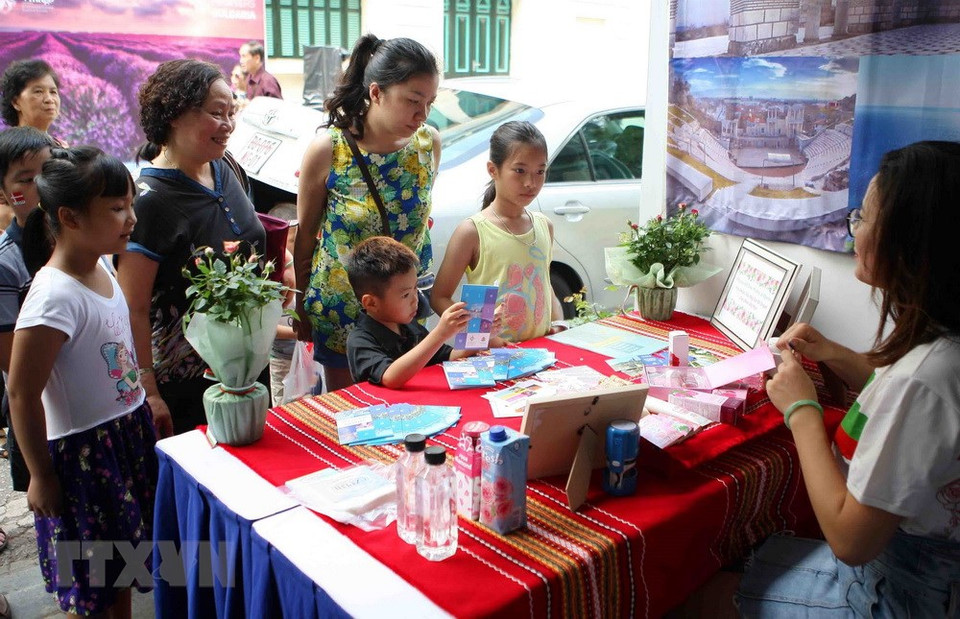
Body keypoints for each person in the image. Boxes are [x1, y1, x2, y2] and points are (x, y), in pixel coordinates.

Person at [736, 141, 960, 616]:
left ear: (909, 241)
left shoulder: (925, 378)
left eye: (863, 218)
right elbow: (908, 406)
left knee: (705, 592)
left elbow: (850, 539)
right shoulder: (941, 347)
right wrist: (837, 355)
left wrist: (801, 411)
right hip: (913, 573)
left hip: (894, 593)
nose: (853, 230)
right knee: (742, 558)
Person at [8, 146, 157, 617]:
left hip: (123, 439)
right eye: (116, 208)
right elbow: (21, 392)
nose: (131, 218)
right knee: (90, 587)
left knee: (120, 572)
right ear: (69, 217)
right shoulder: (53, 297)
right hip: (83, 460)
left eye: (130, 204)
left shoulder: (103, 263)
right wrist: (40, 475)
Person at [117, 59, 265, 436]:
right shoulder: (150, 201)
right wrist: (149, 391)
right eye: (217, 113)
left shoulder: (224, 166)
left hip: (247, 363)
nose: (228, 124)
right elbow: (133, 307)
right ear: (174, 115)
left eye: (231, 113)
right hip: (187, 381)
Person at [294, 34, 441, 392]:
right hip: (342, 309)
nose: (422, 114)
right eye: (413, 101)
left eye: (430, 103)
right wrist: (300, 306)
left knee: (411, 407)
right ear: (376, 93)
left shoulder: (428, 144)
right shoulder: (329, 149)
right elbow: (305, 237)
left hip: (404, 313)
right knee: (352, 411)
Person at [431, 121, 564, 343]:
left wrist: (559, 322)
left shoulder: (544, 226)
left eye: (540, 171)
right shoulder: (472, 231)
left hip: (540, 352)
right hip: (490, 355)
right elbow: (439, 297)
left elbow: (544, 282)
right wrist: (483, 334)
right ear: (493, 170)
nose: (531, 182)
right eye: (520, 171)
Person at [0, 127, 55, 503]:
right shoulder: (6, 264)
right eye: (25, 179)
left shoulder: (82, 243)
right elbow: (11, 361)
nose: (40, 187)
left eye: (47, 174)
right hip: (40, 410)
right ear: (4, 194)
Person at [344, 236, 473, 388]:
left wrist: (481, 334)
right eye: (405, 295)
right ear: (371, 303)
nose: (415, 299)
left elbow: (450, 356)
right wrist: (440, 333)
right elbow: (390, 377)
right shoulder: (360, 340)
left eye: (415, 288)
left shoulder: (410, 327)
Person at [0, 59, 63, 230]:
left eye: (53, 92)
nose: (49, 99)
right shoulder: (4, 151)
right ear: (15, 102)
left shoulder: (63, 149)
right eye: (38, 92)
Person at [267, 202, 300, 404]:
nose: (296, 246)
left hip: (307, 356)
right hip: (282, 359)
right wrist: (299, 333)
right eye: (292, 241)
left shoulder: (305, 268)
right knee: (283, 406)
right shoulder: (271, 276)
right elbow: (266, 327)